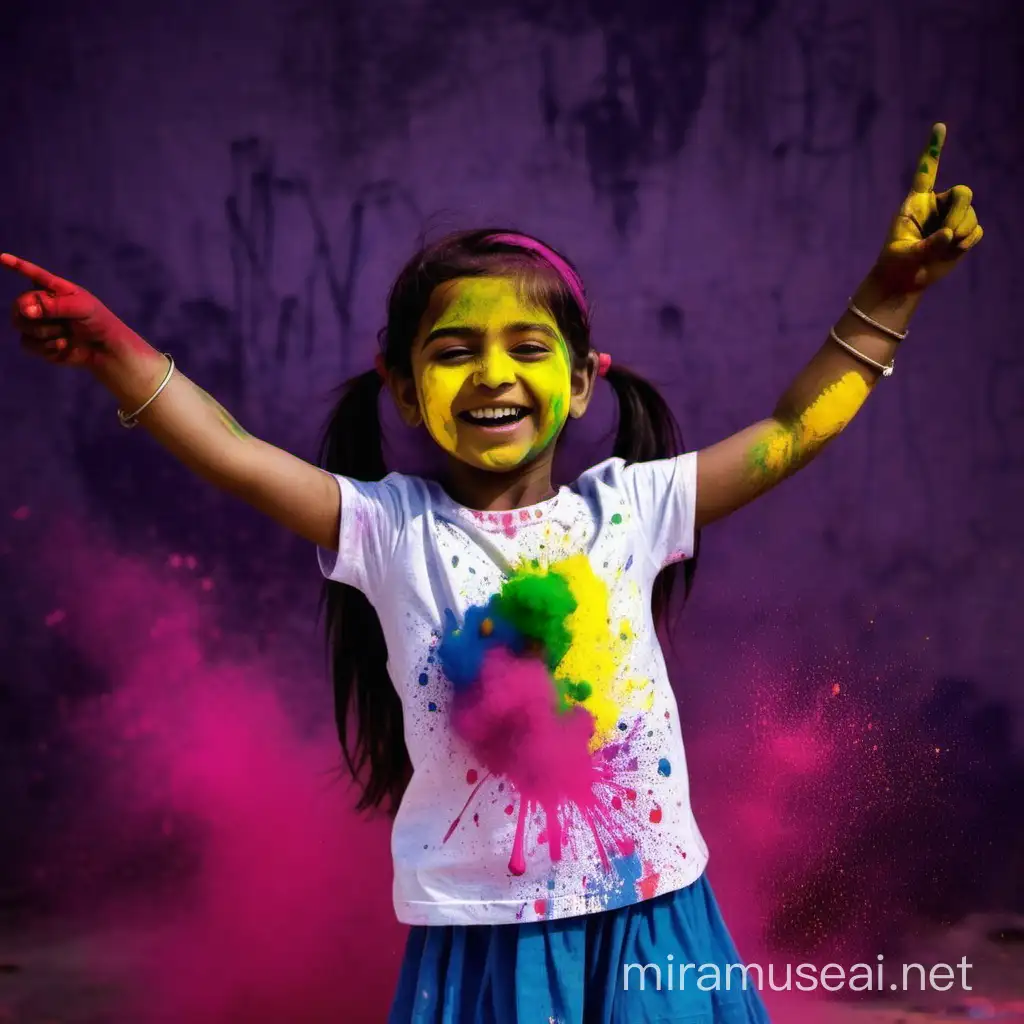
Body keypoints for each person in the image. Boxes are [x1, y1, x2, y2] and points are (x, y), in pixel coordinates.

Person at [3, 123, 980, 1022]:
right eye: (453, 350)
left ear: (584, 376)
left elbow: (785, 433)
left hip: (655, 913)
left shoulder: (628, 509)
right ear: (399, 382)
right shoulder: (387, 528)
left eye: (527, 346)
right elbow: (231, 450)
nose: (493, 375)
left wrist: (888, 295)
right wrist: (115, 353)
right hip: (484, 934)